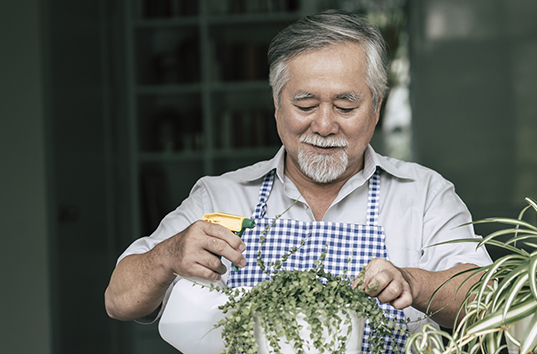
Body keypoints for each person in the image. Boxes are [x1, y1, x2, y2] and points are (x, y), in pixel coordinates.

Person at [105, 9, 492, 352]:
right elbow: (118, 300)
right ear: (276, 107)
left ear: (376, 109)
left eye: (346, 106)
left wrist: (413, 282)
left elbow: (487, 302)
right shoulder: (220, 195)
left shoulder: (424, 194)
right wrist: (169, 255)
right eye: (305, 105)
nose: (324, 125)